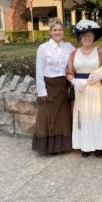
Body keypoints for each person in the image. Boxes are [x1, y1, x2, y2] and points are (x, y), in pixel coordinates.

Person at [66, 19, 102, 158]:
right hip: (81, 91)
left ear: (93, 37)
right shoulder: (74, 54)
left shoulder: (100, 52)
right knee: (82, 117)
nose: (87, 38)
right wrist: (73, 81)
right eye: (84, 35)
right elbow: (68, 72)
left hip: (96, 89)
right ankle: (85, 146)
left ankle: (99, 146)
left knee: (96, 115)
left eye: (90, 35)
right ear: (79, 37)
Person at [32, 18, 75, 154]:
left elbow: (79, 58)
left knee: (63, 117)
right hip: (48, 86)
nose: (58, 32)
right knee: (46, 116)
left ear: (63, 31)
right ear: (50, 32)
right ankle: (48, 147)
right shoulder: (43, 48)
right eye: (54, 30)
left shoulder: (69, 47)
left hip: (63, 86)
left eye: (60, 29)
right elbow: (39, 70)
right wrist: (41, 91)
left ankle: (62, 146)